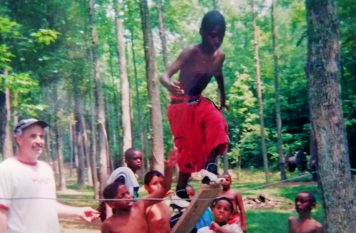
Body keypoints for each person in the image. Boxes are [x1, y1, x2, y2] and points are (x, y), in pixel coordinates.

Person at [160, 10, 229, 207]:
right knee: (188, 148)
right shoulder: (191, 52)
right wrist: (169, 85)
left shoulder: (219, 56)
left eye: (221, 36)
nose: (216, 40)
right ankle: (180, 192)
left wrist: (223, 99)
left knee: (217, 121)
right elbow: (164, 75)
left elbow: (219, 76)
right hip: (180, 105)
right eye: (212, 35)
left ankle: (210, 167)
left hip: (198, 102)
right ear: (202, 32)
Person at [0, 118, 99, 233]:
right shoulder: (7, 169)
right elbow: (2, 212)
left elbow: (49, 207)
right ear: (19, 139)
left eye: (41, 136)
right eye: (33, 136)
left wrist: (78, 211)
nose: (39, 141)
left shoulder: (45, 169)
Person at [100, 150, 176, 233]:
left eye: (128, 193)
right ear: (112, 204)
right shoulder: (108, 225)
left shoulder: (140, 206)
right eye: (122, 195)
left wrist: (169, 169)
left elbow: (164, 188)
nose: (128, 197)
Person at [99, 147, 143, 221]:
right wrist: (109, 217)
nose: (139, 161)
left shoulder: (131, 175)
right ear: (126, 160)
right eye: (135, 159)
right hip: (118, 217)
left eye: (140, 158)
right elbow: (111, 196)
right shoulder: (123, 174)